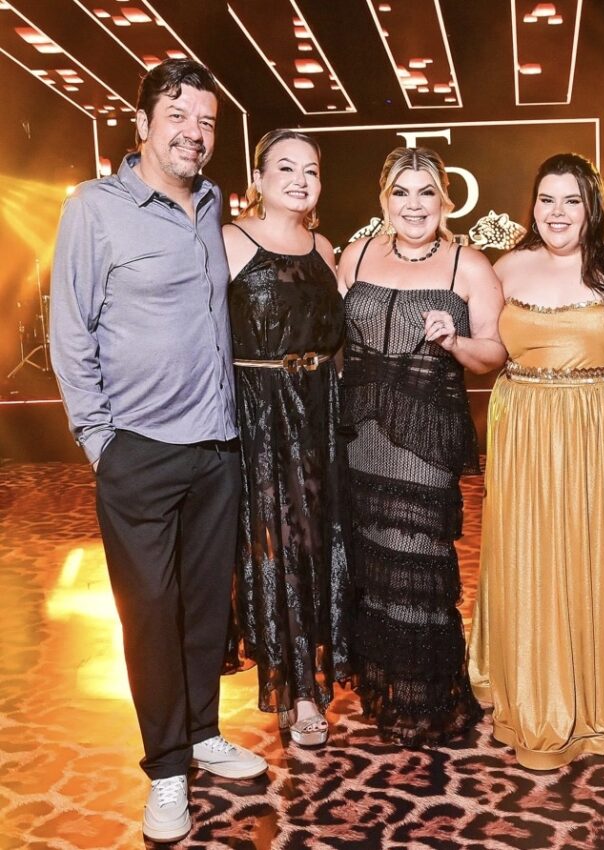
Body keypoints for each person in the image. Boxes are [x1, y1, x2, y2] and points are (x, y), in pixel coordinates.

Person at [49, 59, 266, 844]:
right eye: (177, 116)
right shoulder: (94, 209)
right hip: (137, 450)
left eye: (206, 121)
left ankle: (202, 732)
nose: (193, 133)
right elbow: (70, 331)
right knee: (148, 615)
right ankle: (167, 768)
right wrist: (100, 441)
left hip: (216, 446)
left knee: (206, 607)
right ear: (141, 124)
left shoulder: (210, 204)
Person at [467, 153, 604, 769]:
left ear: (593, 205)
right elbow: (486, 348)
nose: (557, 213)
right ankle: (546, 684)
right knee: (538, 556)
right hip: (529, 434)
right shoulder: (505, 268)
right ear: (532, 206)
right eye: (546, 200)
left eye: (571, 201)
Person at [336, 147, 505, 745]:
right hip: (360, 433)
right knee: (372, 559)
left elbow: (494, 353)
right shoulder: (356, 254)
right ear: (385, 201)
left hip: (425, 436)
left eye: (426, 192)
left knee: (416, 556)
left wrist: (455, 340)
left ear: (444, 200)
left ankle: (425, 695)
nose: (414, 205)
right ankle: (383, 684)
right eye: (401, 192)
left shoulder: (469, 265)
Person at [221, 129, 350, 747]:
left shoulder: (323, 247)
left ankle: (311, 674)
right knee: (277, 546)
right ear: (259, 178)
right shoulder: (230, 241)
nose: (300, 180)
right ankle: (298, 692)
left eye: (311, 170)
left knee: (316, 543)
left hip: (319, 411)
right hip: (260, 414)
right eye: (286, 167)